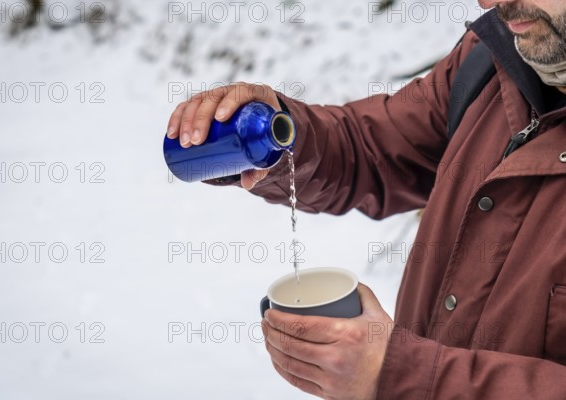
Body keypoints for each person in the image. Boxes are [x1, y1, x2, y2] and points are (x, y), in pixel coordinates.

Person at [166, 0, 566, 398]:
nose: (489, 1)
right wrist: (283, 135)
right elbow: (374, 149)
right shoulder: (495, 61)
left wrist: (401, 375)